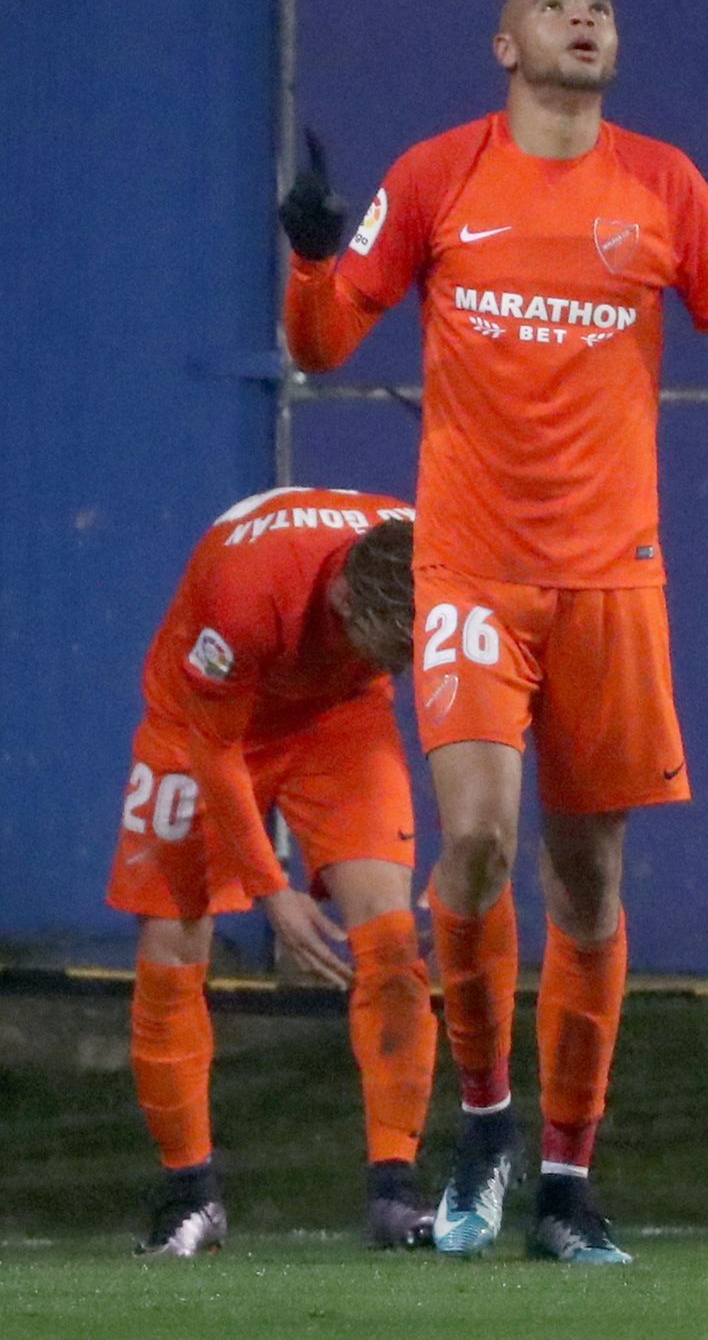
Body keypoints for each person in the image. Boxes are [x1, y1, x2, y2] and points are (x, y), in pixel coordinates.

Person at [278, 0, 708, 1263]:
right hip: (470, 569)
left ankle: (569, 1179)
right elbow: (323, 341)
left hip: (611, 581)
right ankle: (484, 1119)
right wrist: (312, 256)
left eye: (599, 6)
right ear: (502, 42)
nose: (584, 19)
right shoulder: (437, 175)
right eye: (556, 4)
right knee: (471, 842)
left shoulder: (663, 184)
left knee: (588, 878)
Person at [107, 488, 437, 1257]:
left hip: (338, 718)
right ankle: (188, 1196)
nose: (395, 664)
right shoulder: (248, 591)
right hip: (203, 727)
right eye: (383, 645)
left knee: (392, 942)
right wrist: (271, 890)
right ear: (343, 592)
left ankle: (396, 1194)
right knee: (171, 948)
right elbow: (215, 752)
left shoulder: (431, 549)